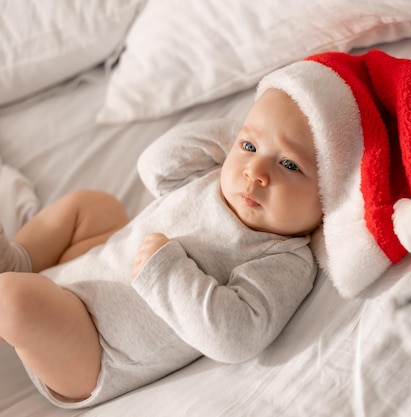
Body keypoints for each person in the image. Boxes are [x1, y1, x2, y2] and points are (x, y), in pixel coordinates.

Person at [0, 87, 321, 407]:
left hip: (94, 347)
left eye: (289, 165)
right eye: (250, 146)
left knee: (13, 299)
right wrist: (233, 140)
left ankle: (13, 294)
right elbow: (155, 166)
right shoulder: (215, 178)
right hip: (90, 266)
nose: (256, 172)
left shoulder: (285, 257)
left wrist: (166, 271)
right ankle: (18, 262)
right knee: (95, 205)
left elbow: (236, 337)